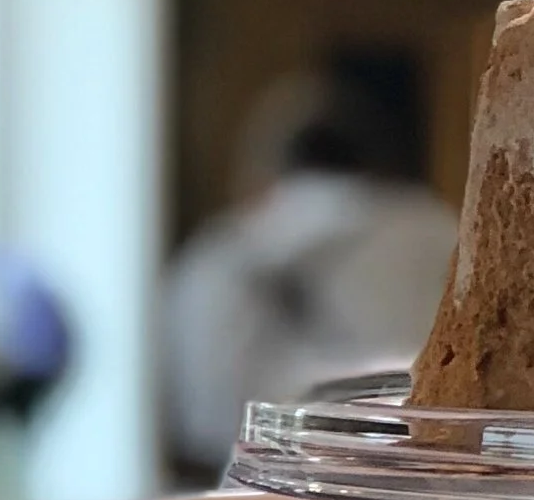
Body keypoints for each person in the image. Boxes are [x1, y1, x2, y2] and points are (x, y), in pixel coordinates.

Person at [162, 72, 457, 477]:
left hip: (266, 483)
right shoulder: (440, 232)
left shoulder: (223, 253)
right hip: (422, 476)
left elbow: (202, 420)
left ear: (266, 162)